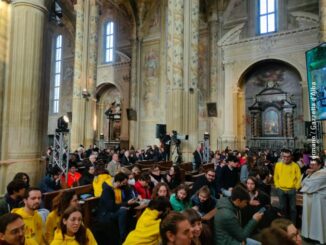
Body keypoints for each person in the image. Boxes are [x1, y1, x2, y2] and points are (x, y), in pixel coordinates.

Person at [94, 172, 137, 244]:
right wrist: (125, 204)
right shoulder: (108, 190)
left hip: (114, 210)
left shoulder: (121, 189)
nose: (125, 185)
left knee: (131, 210)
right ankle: (122, 238)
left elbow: (127, 196)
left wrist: (128, 202)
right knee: (123, 211)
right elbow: (111, 207)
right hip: (106, 214)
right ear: (118, 181)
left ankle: (131, 235)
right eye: (123, 183)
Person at [300, 158, 326, 244]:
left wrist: (307, 179)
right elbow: (302, 183)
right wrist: (306, 175)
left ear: (320, 165)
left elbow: (311, 185)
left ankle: (320, 239)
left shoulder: (323, 173)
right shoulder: (311, 173)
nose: (312, 166)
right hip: (309, 199)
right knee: (309, 219)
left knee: (318, 219)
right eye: (311, 164)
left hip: (319, 201)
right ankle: (309, 235)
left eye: (314, 164)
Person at [273, 149, 301, 223]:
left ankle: (293, 225)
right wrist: (277, 187)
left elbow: (299, 178)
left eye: (288, 156)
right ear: (282, 156)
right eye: (284, 156)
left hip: (292, 189)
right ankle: (284, 225)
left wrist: (296, 187)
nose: (286, 158)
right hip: (281, 189)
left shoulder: (295, 166)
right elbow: (275, 177)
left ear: (291, 157)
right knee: (282, 208)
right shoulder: (278, 165)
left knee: (293, 209)